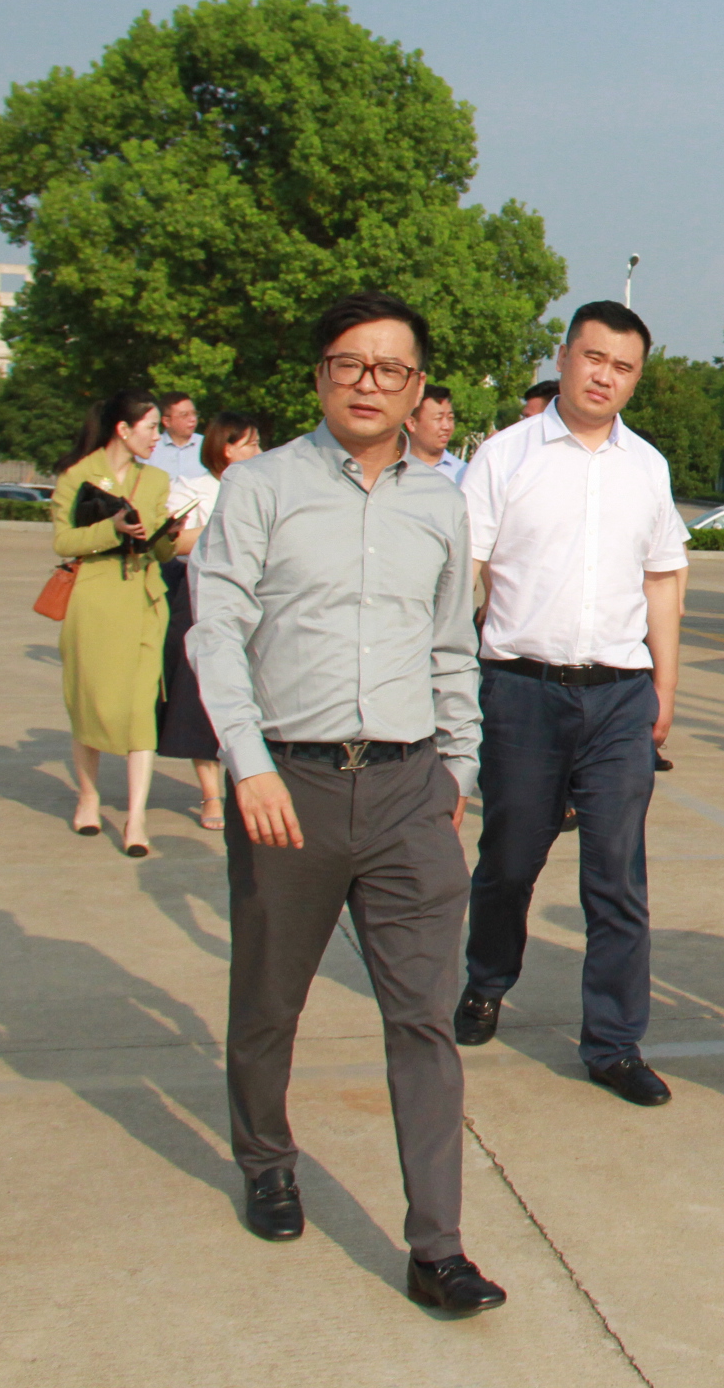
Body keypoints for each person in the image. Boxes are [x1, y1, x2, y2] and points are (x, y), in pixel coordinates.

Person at [189, 291, 503, 1314]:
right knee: (268, 1003)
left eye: (391, 369)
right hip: (291, 788)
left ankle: (438, 1248)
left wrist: (457, 769)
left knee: (423, 1019)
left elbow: (452, 644)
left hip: (412, 791)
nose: (370, 384)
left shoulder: (440, 503)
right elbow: (215, 630)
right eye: (350, 364)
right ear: (321, 375)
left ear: (418, 388)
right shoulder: (262, 488)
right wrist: (248, 764)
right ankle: (267, 1159)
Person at [451, 302, 688, 1108]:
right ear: (563, 357)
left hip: (619, 696)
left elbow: (662, 579)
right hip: (521, 690)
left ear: (636, 379)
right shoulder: (505, 457)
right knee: (511, 858)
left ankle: (614, 1043)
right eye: (593, 358)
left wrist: (664, 687)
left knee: (617, 876)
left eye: (622, 368)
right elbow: (466, 572)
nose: (603, 377)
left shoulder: (646, 467)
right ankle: (488, 979)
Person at [50, 389, 180, 857]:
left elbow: (160, 551)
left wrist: (168, 536)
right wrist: (113, 530)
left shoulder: (156, 479)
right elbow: (63, 541)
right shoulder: (78, 475)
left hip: (144, 601)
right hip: (95, 601)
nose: (158, 437)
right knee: (90, 702)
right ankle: (88, 797)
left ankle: (136, 817)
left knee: (141, 711)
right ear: (123, 430)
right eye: (151, 427)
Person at [157, 411, 266, 831]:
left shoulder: (265, 489)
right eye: (251, 444)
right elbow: (173, 542)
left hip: (256, 598)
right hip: (198, 596)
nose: (260, 451)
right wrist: (233, 528)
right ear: (227, 449)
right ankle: (210, 794)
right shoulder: (193, 489)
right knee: (200, 698)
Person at [407, 383, 466, 483]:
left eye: (450, 418)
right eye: (438, 418)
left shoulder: (464, 474)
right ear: (412, 423)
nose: (446, 426)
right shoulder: (391, 470)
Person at [147, 392, 206, 485]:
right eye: (184, 415)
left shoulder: (207, 445)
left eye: (194, 413)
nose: (193, 419)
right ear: (166, 421)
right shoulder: (150, 448)